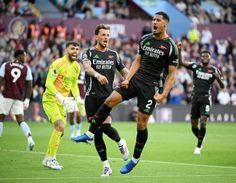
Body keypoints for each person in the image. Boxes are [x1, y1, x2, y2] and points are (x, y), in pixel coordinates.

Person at [72, 11, 178, 174]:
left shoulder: (170, 46)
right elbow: (137, 61)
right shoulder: (145, 40)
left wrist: (163, 94)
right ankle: (89, 133)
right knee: (110, 101)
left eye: (158, 20)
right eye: (153, 20)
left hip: (151, 87)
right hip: (136, 80)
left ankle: (134, 159)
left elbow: (172, 74)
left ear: (165, 24)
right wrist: (128, 78)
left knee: (141, 123)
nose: (154, 22)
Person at [72, 24, 130, 176]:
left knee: (103, 126)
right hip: (91, 97)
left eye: (108, 35)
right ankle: (106, 166)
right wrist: (97, 75)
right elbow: (87, 68)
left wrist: (130, 80)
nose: (106, 38)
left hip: (107, 97)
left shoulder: (114, 55)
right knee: (97, 132)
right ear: (96, 36)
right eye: (103, 35)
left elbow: (124, 71)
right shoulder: (89, 52)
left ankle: (120, 142)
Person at [42, 41, 85, 170]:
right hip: (50, 99)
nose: (75, 51)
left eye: (77, 49)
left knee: (60, 131)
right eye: (72, 48)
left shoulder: (77, 66)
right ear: (67, 49)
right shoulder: (57, 63)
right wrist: (59, 96)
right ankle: (51, 159)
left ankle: (47, 158)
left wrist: (78, 99)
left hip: (62, 103)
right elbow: (48, 83)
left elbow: (73, 84)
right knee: (60, 126)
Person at [177, 42, 224, 155]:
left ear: (210, 57)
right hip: (195, 99)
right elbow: (181, 62)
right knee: (193, 125)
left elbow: (222, 87)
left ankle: (198, 146)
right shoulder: (195, 66)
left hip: (206, 99)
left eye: (206, 56)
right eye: (202, 56)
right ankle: (201, 138)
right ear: (200, 58)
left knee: (203, 122)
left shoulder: (214, 70)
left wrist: (219, 79)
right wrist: (179, 50)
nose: (204, 58)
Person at [0, 49, 35, 150]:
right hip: (18, 97)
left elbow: (0, 80)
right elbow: (29, 85)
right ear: (19, 56)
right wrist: (27, 99)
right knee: (21, 120)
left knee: (0, 119)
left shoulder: (5, 65)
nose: (25, 58)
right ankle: (30, 139)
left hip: (6, 96)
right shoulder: (26, 68)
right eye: (24, 56)